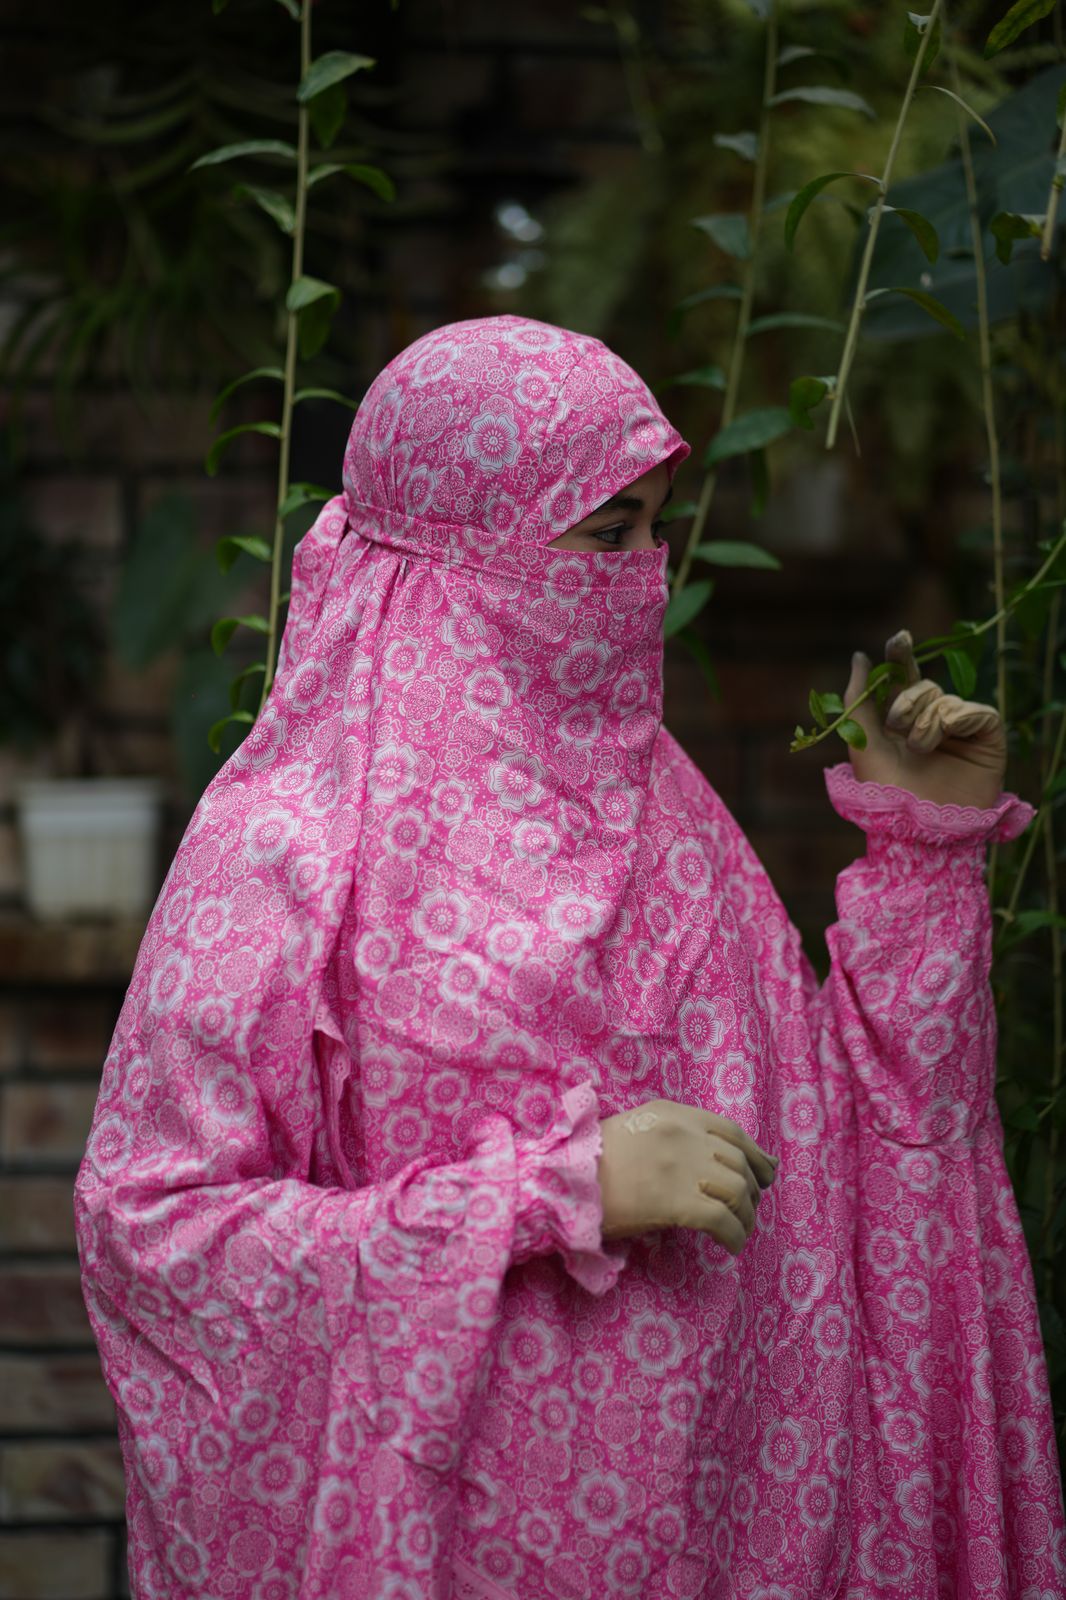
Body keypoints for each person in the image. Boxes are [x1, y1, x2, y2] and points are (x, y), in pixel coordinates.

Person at [74, 314, 1065, 1600]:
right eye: (608, 535)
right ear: (459, 550)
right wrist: (549, 1191)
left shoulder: (673, 821)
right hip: (453, 1556)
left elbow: (837, 1154)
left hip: (741, 1534)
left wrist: (922, 861)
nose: (646, 573)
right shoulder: (291, 849)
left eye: (657, 527)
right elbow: (155, 1230)